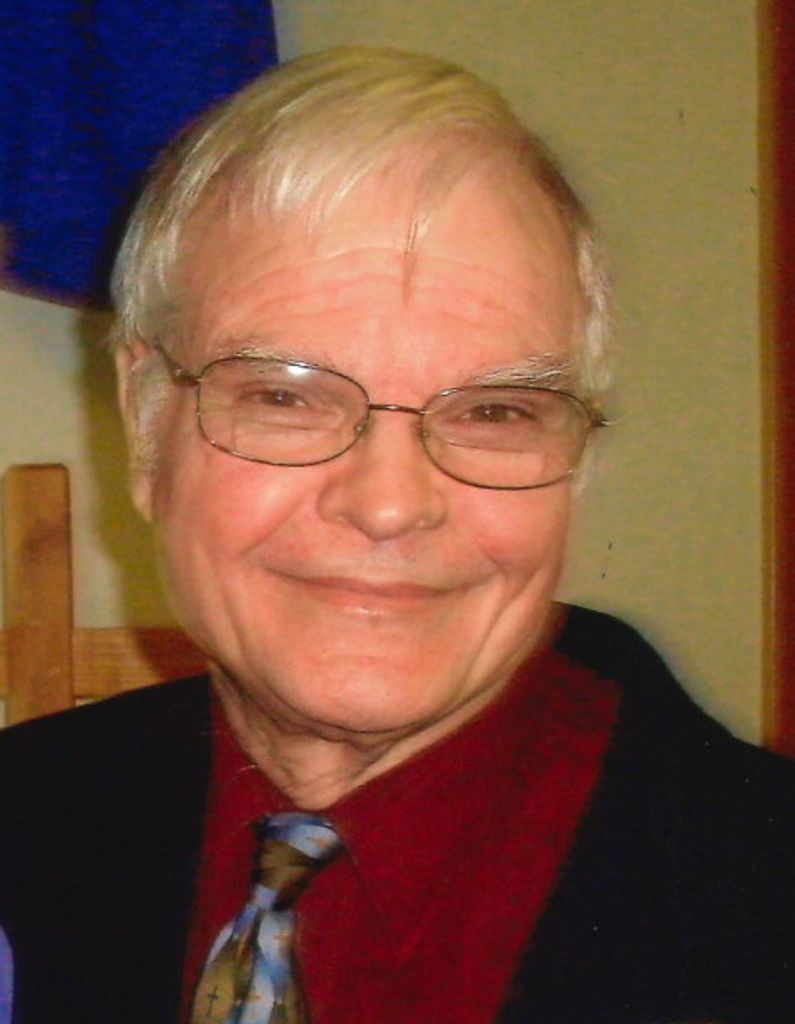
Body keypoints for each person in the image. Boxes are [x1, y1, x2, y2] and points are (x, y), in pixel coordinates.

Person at [1, 46, 793, 1024]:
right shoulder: (21, 829)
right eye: (285, 396)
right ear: (145, 421)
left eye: (494, 411)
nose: (387, 504)